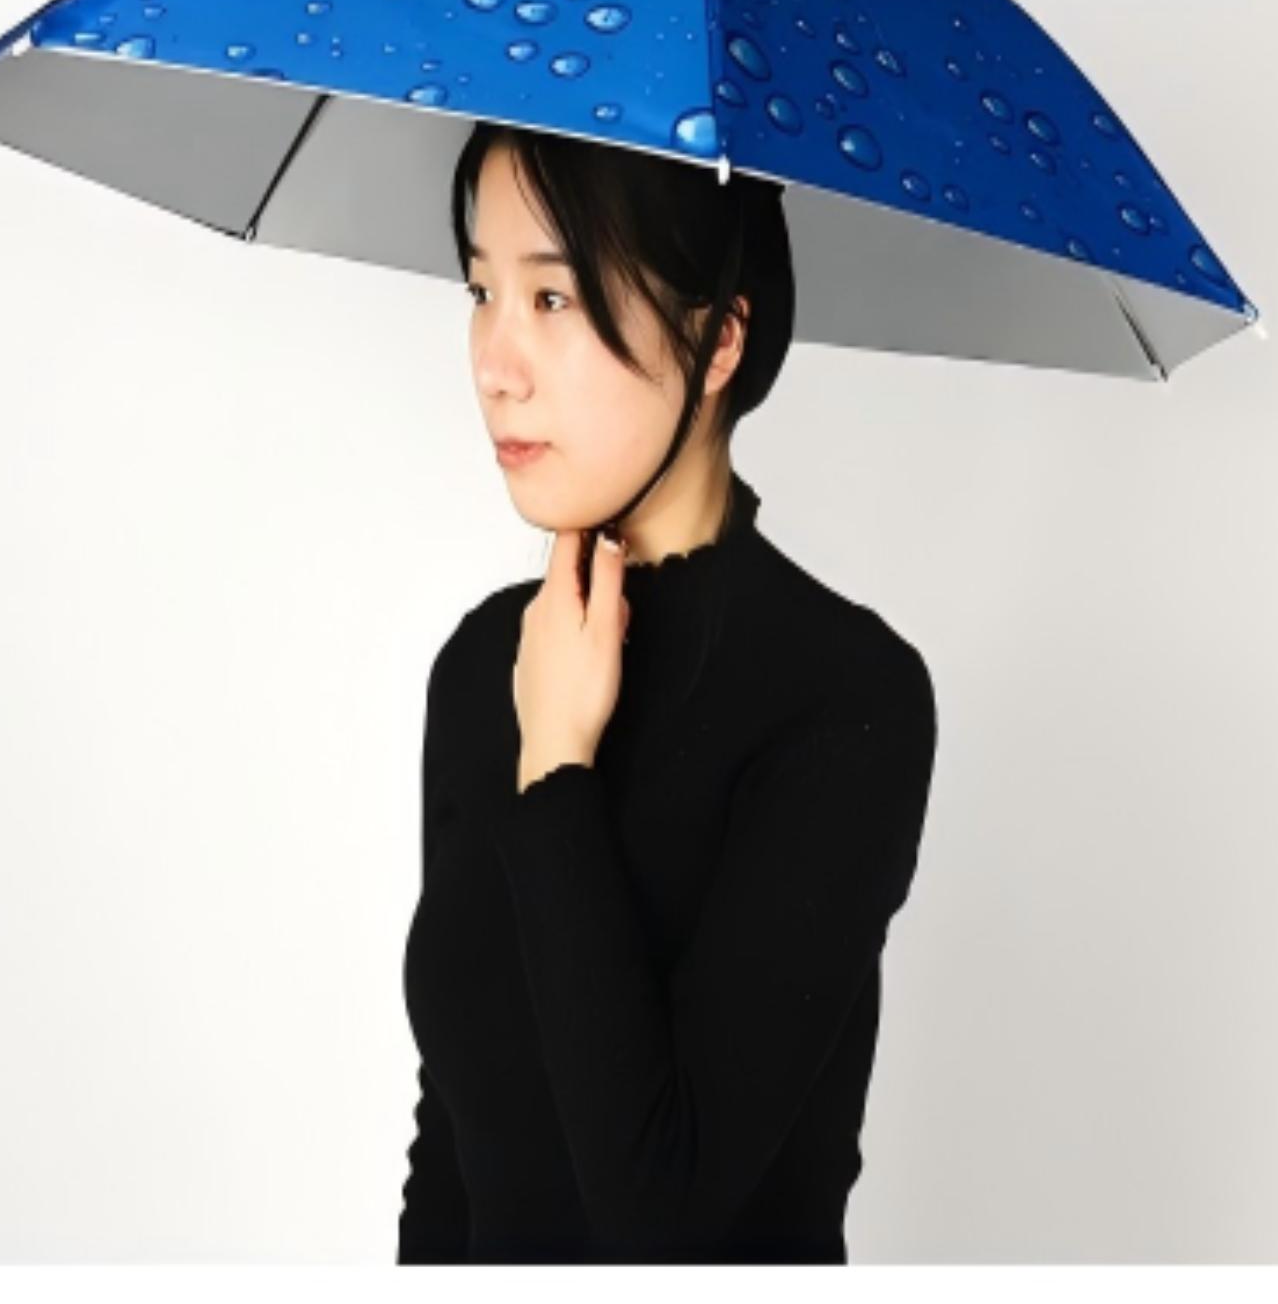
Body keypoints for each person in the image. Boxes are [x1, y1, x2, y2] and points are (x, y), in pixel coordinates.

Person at [397, 121, 938, 1263]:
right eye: (482, 291)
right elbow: (452, 1148)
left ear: (717, 336)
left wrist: (558, 771)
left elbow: (663, 1211)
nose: (494, 363)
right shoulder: (484, 663)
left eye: (552, 298)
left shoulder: (845, 700)